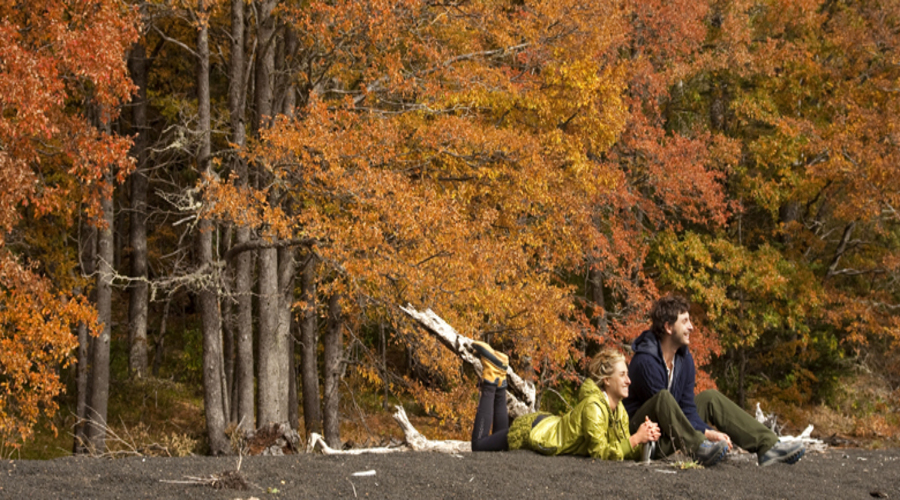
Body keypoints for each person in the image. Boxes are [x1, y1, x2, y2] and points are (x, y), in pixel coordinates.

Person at [624, 294, 806, 467]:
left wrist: (707, 432)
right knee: (663, 398)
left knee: (710, 397)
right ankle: (698, 447)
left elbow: (686, 409)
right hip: (642, 437)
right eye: (685, 321)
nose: (691, 327)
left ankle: (768, 445)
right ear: (668, 327)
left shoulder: (684, 359)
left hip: (672, 432)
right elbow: (665, 413)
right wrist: (707, 434)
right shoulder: (645, 361)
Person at [469, 342, 660, 461]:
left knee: (500, 441)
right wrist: (635, 439)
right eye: (623, 375)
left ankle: (499, 374)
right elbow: (600, 453)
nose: (629, 380)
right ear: (607, 381)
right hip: (536, 432)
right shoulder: (594, 408)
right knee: (479, 446)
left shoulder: (618, 410)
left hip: (546, 425)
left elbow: (619, 450)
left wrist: (644, 440)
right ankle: (490, 378)